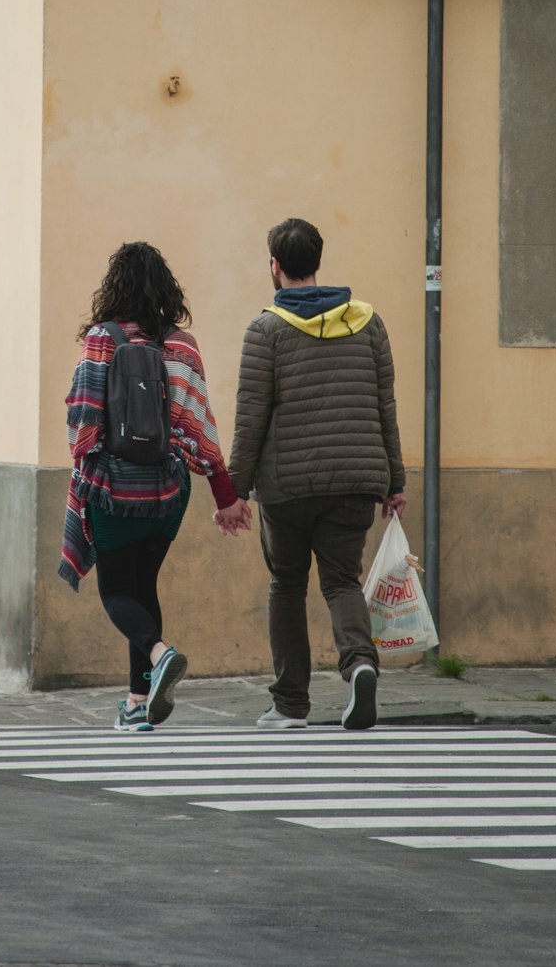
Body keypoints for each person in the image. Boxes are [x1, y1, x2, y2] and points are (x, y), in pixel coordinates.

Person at [222, 217, 406, 731]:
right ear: (317, 261)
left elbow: (251, 417)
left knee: (286, 585)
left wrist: (232, 492)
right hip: (356, 481)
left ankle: (290, 704)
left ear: (275, 266)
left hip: (288, 486)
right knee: (342, 580)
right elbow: (383, 405)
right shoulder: (369, 322)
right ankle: (360, 664)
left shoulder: (265, 331)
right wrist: (394, 481)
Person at [60, 241, 251, 732]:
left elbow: (82, 421)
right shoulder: (181, 345)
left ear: (114, 287)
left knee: (117, 592)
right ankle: (137, 704)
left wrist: (87, 464)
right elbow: (199, 424)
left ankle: (161, 653)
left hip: (114, 489)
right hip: (168, 491)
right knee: (143, 590)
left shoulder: (102, 339)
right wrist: (224, 494)